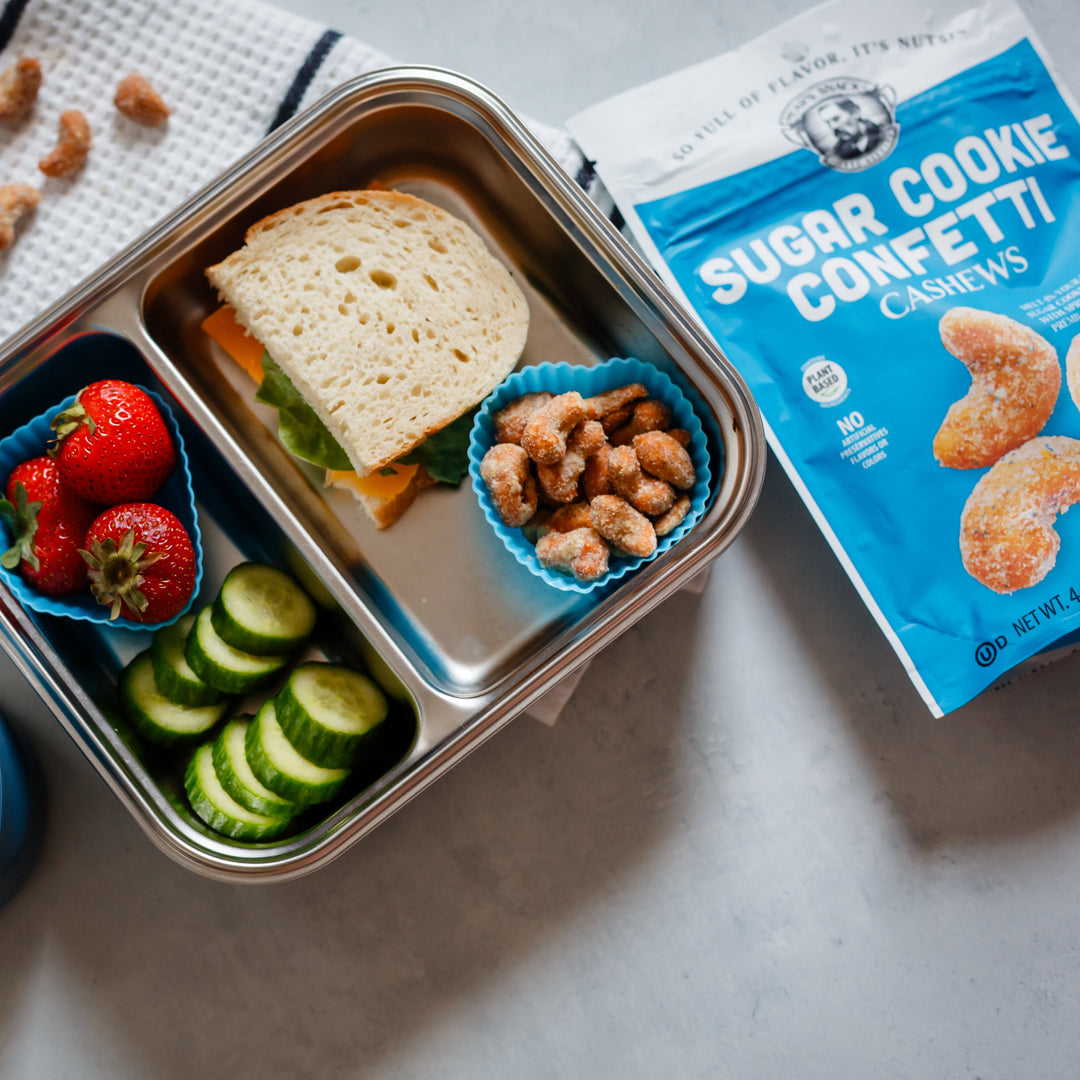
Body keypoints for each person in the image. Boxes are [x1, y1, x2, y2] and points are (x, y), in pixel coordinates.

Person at [816, 98, 884, 159]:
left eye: (836, 119)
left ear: (855, 112)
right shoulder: (837, 153)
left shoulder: (883, 132)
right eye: (828, 122)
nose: (833, 126)